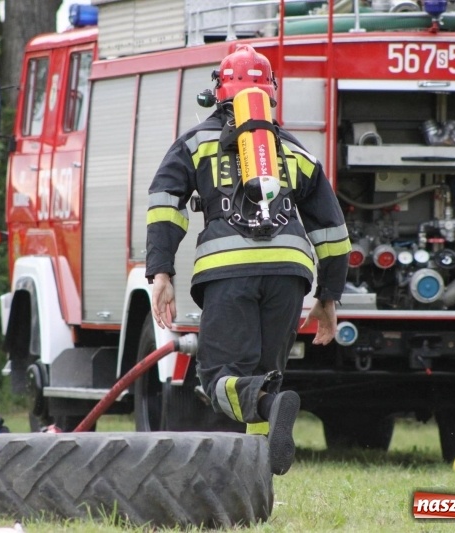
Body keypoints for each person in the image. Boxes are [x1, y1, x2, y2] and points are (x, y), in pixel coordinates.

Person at [146, 44, 350, 475]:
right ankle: (253, 472)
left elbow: (165, 204)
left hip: (227, 271)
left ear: (218, 91)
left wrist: (161, 271)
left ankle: (273, 407)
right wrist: (328, 298)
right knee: (263, 373)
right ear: (270, 93)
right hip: (289, 273)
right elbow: (333, 233)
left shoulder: (195, 142)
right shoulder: (295, 152)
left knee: (218, 378)